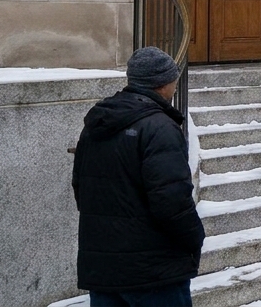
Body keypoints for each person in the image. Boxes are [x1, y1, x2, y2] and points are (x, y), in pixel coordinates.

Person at [73, 46, 205, 306]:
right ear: (163, 83)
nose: (176, 87)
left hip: (104, 266)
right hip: (154, 273)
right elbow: (172, 203)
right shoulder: (159, 128)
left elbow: (82, 188)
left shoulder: (97, 122)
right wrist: (195, 238)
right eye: (174, 79)